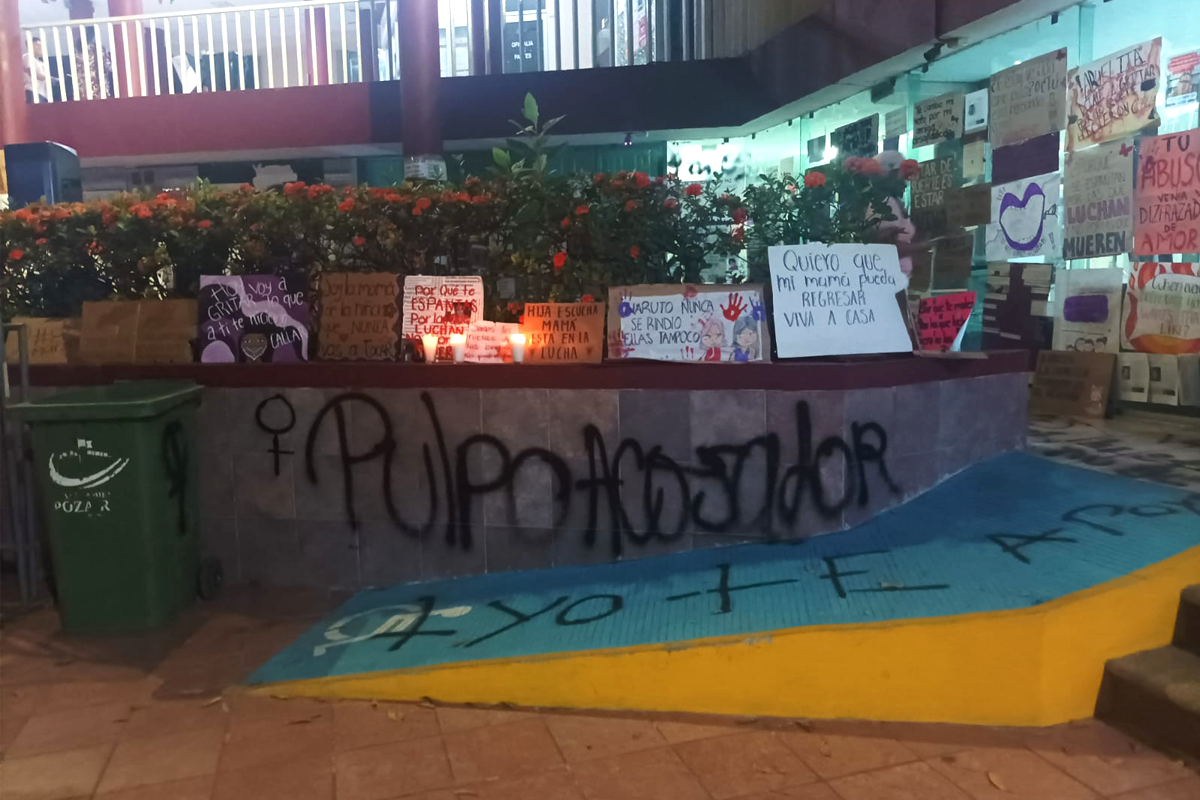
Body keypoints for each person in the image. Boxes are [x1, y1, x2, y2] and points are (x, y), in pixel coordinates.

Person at [24, 37, 54, 103]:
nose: (40, 47)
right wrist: (50, 78)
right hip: (32, 92)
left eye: (41, 45)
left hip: (43, 94)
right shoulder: (27, 57)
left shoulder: (41, 63)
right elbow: (33, 73)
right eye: (37, 45)